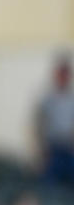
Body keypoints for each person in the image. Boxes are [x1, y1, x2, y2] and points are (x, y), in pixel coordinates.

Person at [35, 53, 74, 184]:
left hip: (69, 148)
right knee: (50, 185)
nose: (63, 77)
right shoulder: (48, 99)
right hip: (53, 149)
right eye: (61, 74)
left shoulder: (71, 98)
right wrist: (41, 150)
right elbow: (40, 124)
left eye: (66, 74)